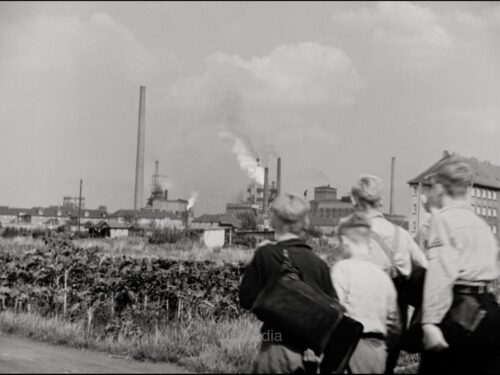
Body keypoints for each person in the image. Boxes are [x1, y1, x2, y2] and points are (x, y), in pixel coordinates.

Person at [239, 192, 336, 374]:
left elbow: (246, 299)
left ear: (275, 221)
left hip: (275, 345)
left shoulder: (266, 254)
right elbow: (331, 313)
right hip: (309, 355)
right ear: (304, 223)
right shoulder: (320, 264)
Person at [419, 158, 500, 373]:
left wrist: (430, 323)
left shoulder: (443, 220)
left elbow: (441, 270)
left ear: (439, 187)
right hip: (488, 309)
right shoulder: (480, 224)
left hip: (459, 310)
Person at [350, 174, 428, 373]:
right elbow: (425, 268)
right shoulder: (400, 234)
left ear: (353, 199)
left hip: (360, 321)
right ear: (381, 201)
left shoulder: (351, 235)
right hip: (394, 321)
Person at [331, 212, 401, 373]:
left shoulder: (342, 270)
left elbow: (335, 313)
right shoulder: (383, 277)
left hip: (351, 348)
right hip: (378, 351)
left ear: (345, 241)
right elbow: (395, 326)